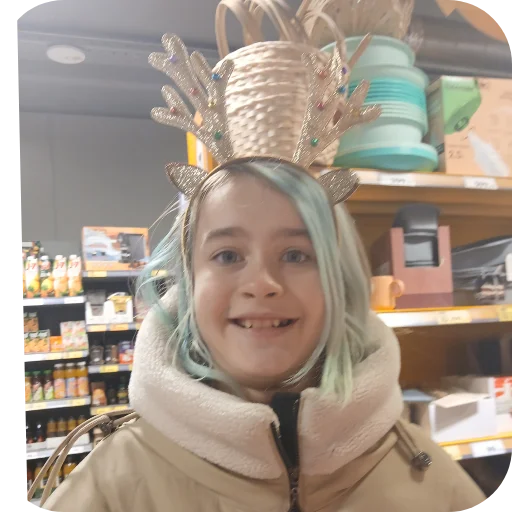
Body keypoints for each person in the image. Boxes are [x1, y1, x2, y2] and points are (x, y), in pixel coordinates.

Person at [29, 32, 486, 512]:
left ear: (340, 281)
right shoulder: (112, 488)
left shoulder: (432, 484)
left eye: (296, 255)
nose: (262, 284)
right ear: (188, 284)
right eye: (228, 255)